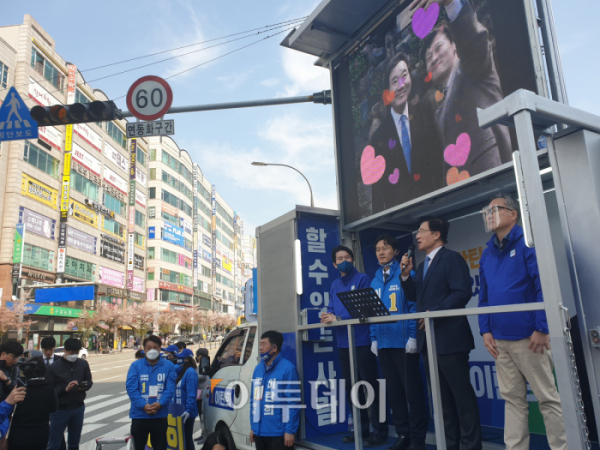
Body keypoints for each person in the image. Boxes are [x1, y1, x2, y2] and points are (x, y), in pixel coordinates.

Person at [478, 193, 567, 450]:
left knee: (548, 399)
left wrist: (542, 328)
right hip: (500, 340)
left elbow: (545, 287)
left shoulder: (529, 243)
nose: (489, 215)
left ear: (513, 214)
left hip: (530, 339)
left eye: (495, 209)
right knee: (512, 400)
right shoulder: (487, 254)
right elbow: (483, 297)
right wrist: (485, 330)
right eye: (487, 211)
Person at [401, 217, 481, 450]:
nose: (417, 236)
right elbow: (415, 297)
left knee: (462, 399)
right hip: (430, 342)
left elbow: (461, 292)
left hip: (451, 339)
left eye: (422, 231)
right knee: (442, 401)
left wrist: (433, 313)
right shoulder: (422, 264)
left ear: (437, 235)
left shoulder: (452, 259)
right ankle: (449, 445)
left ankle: (471, 447)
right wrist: (405, 276)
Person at [413, 0, 512, 180]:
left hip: (496, 183)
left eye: (438, 48)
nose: (434, 58)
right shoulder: (438, 110)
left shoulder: (473, 70)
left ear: (455, 46)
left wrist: (451, 4)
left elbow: (472, 39)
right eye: (428, 57)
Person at [320, 245, 388, 447]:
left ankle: (380, 431)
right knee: (352, 388)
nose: (344, 260)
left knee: (370, 386)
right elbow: (332, 308)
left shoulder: (363, 279)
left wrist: (338, 317)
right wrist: (327, 316)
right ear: (334, 264)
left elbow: (364, 309)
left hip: (362, 341)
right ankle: (361, 430)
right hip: (343, 343)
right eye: (340, 258)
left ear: (353, 259)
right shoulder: (334, 284)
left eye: (347, 257)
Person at [370, 235, 427, 450]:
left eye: (385, 248)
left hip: (404, 343)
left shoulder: (406, 274)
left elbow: (414, 307)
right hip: (384, 344)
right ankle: (403, 436)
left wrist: (413, 336)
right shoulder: (374, 280)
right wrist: (373, 339)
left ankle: (418, 439)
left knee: (412, 392)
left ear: (396, 251)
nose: (381, 252)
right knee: (394, 393)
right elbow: (371, 313)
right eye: (377, 249)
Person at [369, 52, 443, 213]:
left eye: (404, 76)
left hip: (434, 211)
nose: (401, 85)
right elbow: (378, 196)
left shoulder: (425, 113)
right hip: (400, 219)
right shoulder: (378, 138)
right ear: (387, 93)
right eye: (394, 81)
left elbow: (440, 164)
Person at [250, 331, 300, 450]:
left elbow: (293, 402)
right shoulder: (259, 369)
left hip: (279, 434)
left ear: (274, 347)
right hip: (260, 433)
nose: (261, 348)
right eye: (260, 344)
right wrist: (254, 427)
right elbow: (255, 400)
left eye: (264, 344)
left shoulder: (288, 369)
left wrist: (290, 430)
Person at [126, 335, 177, 450]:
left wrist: (160, 404)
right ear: (144, 349)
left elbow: (170, 389)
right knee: (138, 447)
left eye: (155, 347)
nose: (152, 350)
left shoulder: (169, 366)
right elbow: (131, 389)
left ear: (160, 349)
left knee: (160, 447)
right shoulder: (135, 366)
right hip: (139, 416)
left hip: (160, 416)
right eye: (148, 348)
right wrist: (143, 406)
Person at [45, 338, 92, 450]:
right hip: (60, 409)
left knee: (74, 443)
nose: (74, 355)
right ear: (65, 351)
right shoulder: (54, 367)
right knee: (54, 443)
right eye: (72, 353)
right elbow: (48, 390)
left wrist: (85, 386)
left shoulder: (83, 364)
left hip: (78, 407)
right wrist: (64, 389)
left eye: (77, 353)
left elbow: (89, 380)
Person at [8, 355, 58, 450]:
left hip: (18, 432)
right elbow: (53, 408)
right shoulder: (49, 388)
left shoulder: (19, 387)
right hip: (41, 432)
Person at [171, 356, 199, 450]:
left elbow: (191, 394)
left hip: (187, 413)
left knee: (187, 439)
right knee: (180, 440)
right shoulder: (180, 371)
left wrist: (188, 410)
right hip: (177, 411)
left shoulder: (190, 372)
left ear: (186, 359)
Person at [195, 348, 210, 445]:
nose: (197, 357)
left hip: (203, 394)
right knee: (201, 415)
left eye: (198, 355)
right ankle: (203, 433)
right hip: (199, 394)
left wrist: (193, 377)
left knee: (203, 415)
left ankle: (206, 436)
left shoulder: (204, 365)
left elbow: (203, 376)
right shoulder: (201, 365)